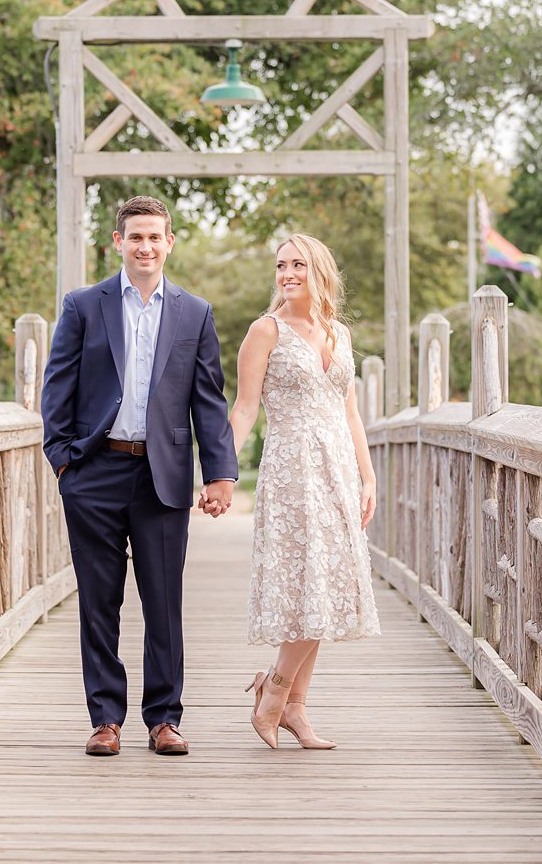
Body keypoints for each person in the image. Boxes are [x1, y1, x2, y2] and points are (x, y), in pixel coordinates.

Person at [41, 195, 237, 757]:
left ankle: (164, 719)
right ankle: (105, 719)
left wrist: (220, 472)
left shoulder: (194, 313)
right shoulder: (84, 305)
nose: (146, 247)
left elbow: (209, 399)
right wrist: (63, 461)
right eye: (136, 238)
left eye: (156, 237)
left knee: (163, 602)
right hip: (94, 470)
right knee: (99, 600)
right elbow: (58, 388)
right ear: (118, 243)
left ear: (169, 243)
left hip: (164, 475)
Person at [227, 233, 380, 750]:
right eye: (281, 265)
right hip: (292, 472)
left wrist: (368, 474)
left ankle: (292, 708)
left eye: (298, 264)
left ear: (320, 270)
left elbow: (351, 411)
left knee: (329, 586)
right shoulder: (264, 331)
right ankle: (275, 694)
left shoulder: (338, 333)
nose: (287, 273)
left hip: (336, 470)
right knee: (305, 588)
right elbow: (246, 407)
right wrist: (221, 472)